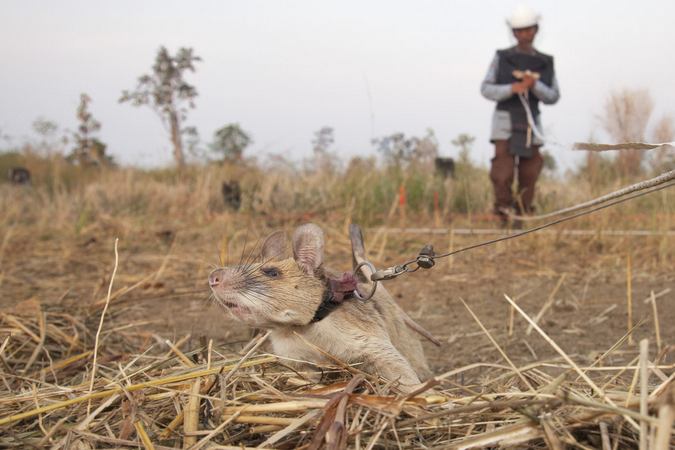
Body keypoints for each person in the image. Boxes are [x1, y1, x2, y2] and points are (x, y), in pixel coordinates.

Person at [481, 5, 560, 225]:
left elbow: (553, 96)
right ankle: (503, 214)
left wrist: (534, 85)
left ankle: (523, 215)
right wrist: (512, 89)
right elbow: (485, 88)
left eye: (529, 29)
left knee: (530, 172)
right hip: (504, 123)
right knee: (502, 173)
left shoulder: (545, 62)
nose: (525, 34)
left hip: (531, 125)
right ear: (514, 32)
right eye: (520, 30)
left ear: (535, 30)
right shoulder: (502, 58)